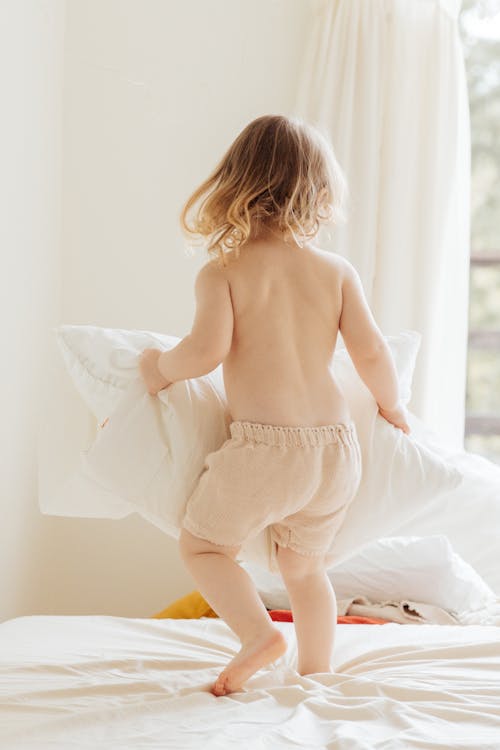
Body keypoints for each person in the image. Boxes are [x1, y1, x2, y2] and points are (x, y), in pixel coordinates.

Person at [138, 114, 411, 697]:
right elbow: (372, 351)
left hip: (267, 450)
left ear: (234, 184)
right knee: (307, 569)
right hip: (337, 453)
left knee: (204, 545)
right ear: (317, 191)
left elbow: (204, 352)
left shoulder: (224, 274)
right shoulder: (336, 272)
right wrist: (394, 406)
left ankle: (259, 635)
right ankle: (317, 671)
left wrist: (158, 369)